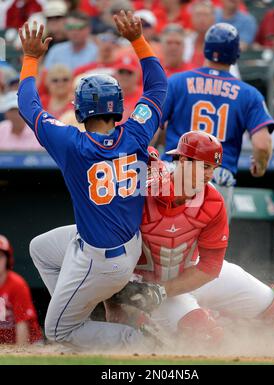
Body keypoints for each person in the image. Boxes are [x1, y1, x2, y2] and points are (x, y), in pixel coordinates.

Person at [17, 10, 167, 351]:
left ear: (81, 110)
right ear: (116, 107)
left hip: (100, 258)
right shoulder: (137, 132)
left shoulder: (71, 144)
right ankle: (84, 311)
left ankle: (137, 340)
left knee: (57, 333)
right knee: (40, 249)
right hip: (127, 245)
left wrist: (29, 58)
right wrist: (137, 41)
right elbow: (159, 85)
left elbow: (28, 105)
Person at [106, 133, 274, 343]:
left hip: (187, 276)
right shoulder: (143, 187)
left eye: (213, 168)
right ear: (183, 161)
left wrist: (163, 290)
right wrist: (113, 305)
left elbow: (211, 266)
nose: (210, 174)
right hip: (146, 288)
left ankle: (229, 321)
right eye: (204, 167)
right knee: (206, 339)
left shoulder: (212, 201)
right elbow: (106, 250)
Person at [161, 23, 274, 216]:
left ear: (206, 48)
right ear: (236, 53)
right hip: (217, 175)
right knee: (210, 243)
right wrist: (261, 166)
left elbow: (152, 128)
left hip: (176, 171)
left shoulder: (176, 82)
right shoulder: (249, 94)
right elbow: (262, 145)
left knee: (163, 239)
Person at [0, 234, 42, 345]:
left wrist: (19, 354)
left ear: (7, 260)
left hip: (30, 344)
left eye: (0, 256)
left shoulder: (17, 284)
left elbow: (22, 323)